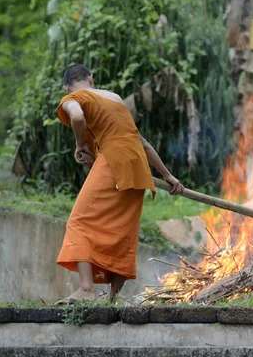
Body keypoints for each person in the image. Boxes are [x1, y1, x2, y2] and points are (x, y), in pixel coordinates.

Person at [54, 64, 184, 304]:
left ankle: (86, 290)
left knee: (79, 221)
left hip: (113, 162)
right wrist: (168, 175)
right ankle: (111, 299)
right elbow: (141, 142)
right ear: (91, 79)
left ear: (66, 86)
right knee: (123, 230)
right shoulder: (115, 98)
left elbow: (78, 117)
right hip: (138, 170)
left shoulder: (72, 98)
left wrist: (80, 144)